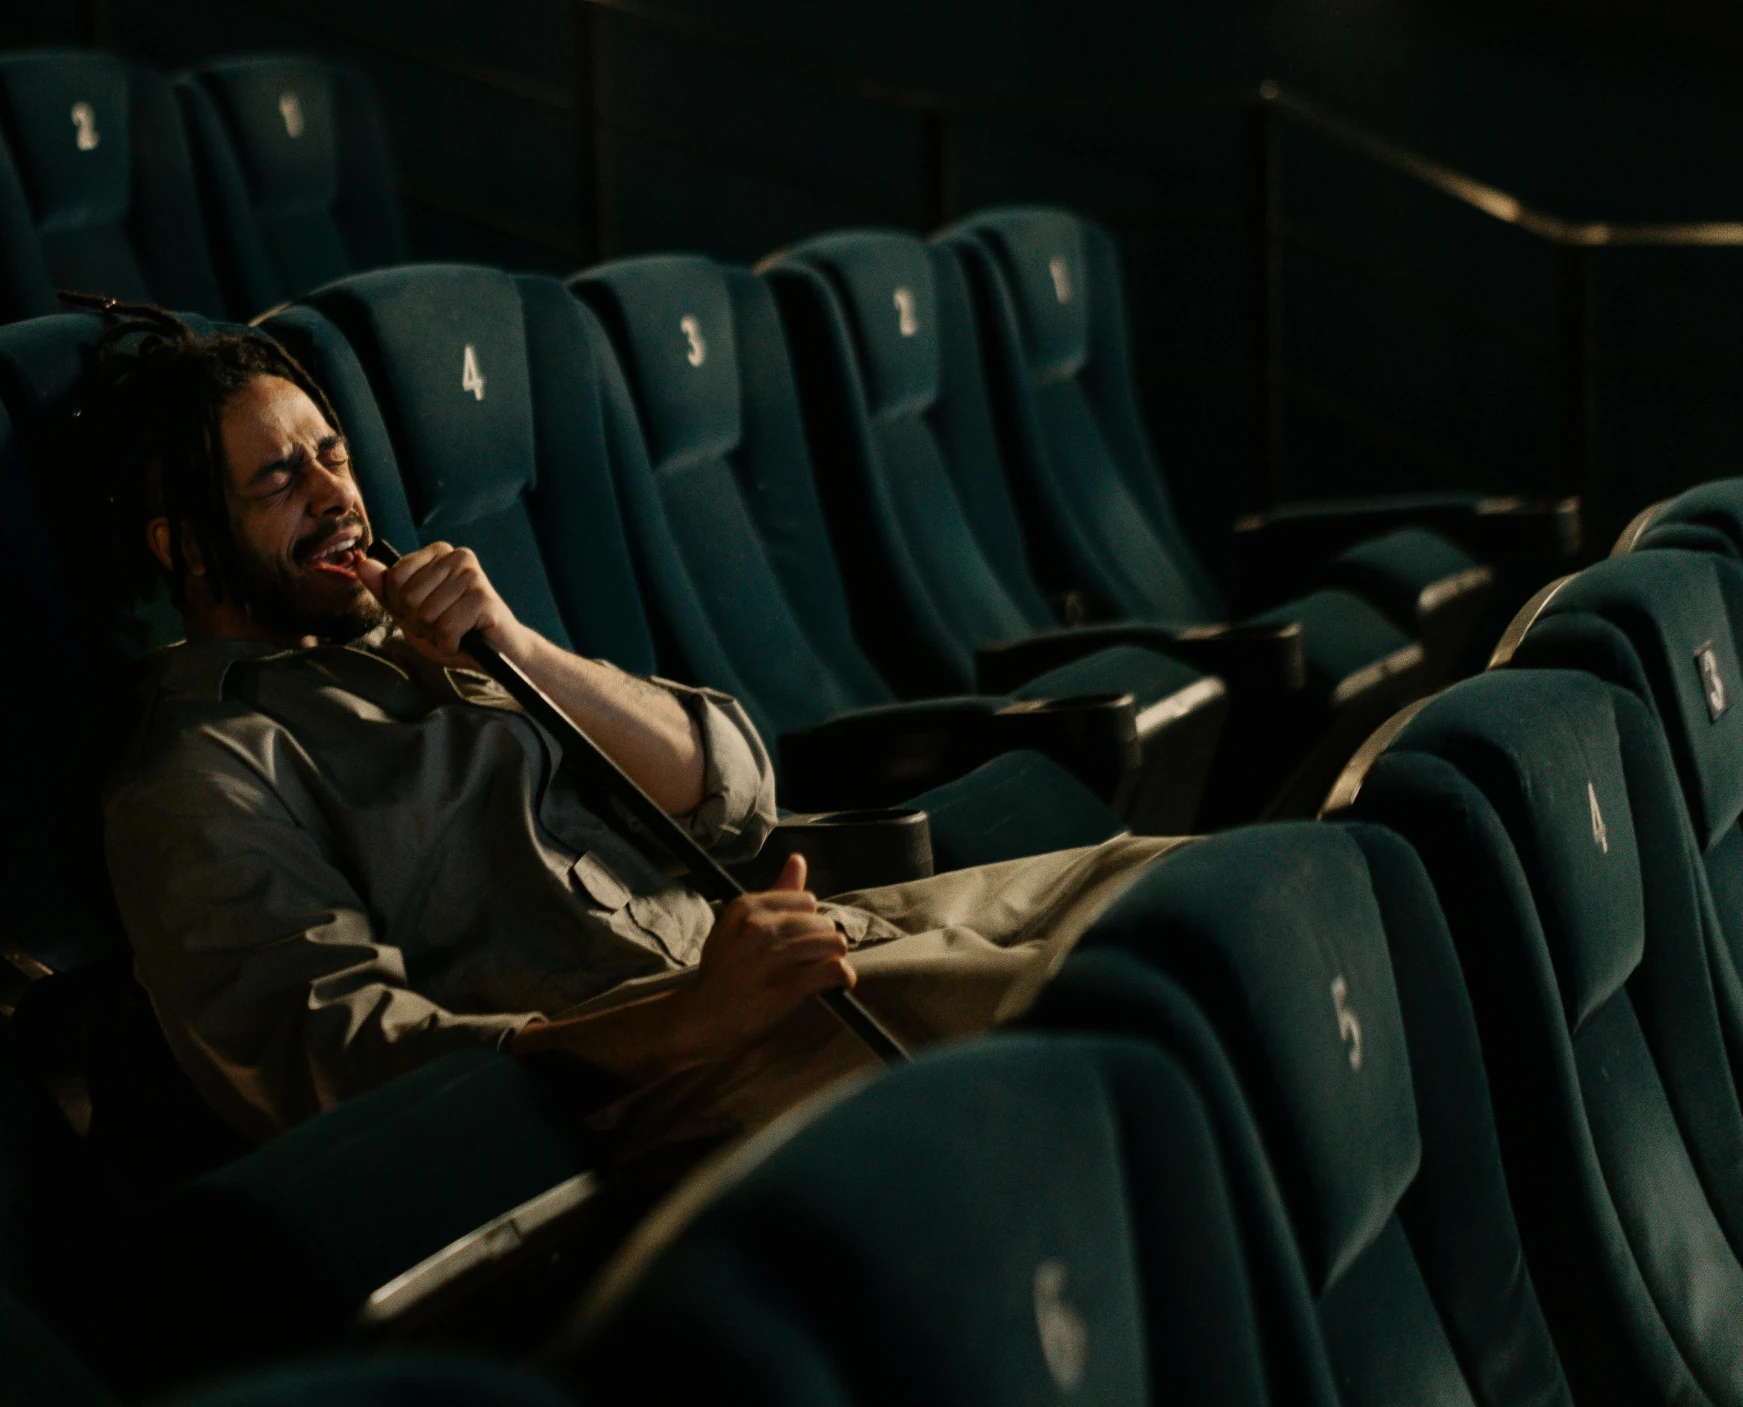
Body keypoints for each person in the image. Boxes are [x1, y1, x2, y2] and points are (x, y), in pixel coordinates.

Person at [97, 311, 1180, 1150]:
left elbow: (734, 783)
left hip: (775, 942)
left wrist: (515, 647)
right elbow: (339, 1065)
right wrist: (690, 1020)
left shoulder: (425, 633)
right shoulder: (200, 770)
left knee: (1178, 899)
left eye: (330, 453)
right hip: (656, 1070)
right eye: (280, 480)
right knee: (1113, 1018)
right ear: (185, 548)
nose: (333, 493)